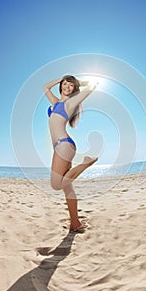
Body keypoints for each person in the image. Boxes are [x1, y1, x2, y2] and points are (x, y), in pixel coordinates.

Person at [43, 75, 98, 232]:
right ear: (61, 86)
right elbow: (45, 87)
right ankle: (75, 223)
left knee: (56, 185)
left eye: (71, 85)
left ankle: (86, 163)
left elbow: (94, 85)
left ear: (74, 88)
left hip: (64, 145)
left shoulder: (70, 102)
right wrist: (60, 78)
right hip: (60, 146)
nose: (67, 87)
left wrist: (79, 82)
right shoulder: (56, 103)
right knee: (67, 187)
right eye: (65, 84)